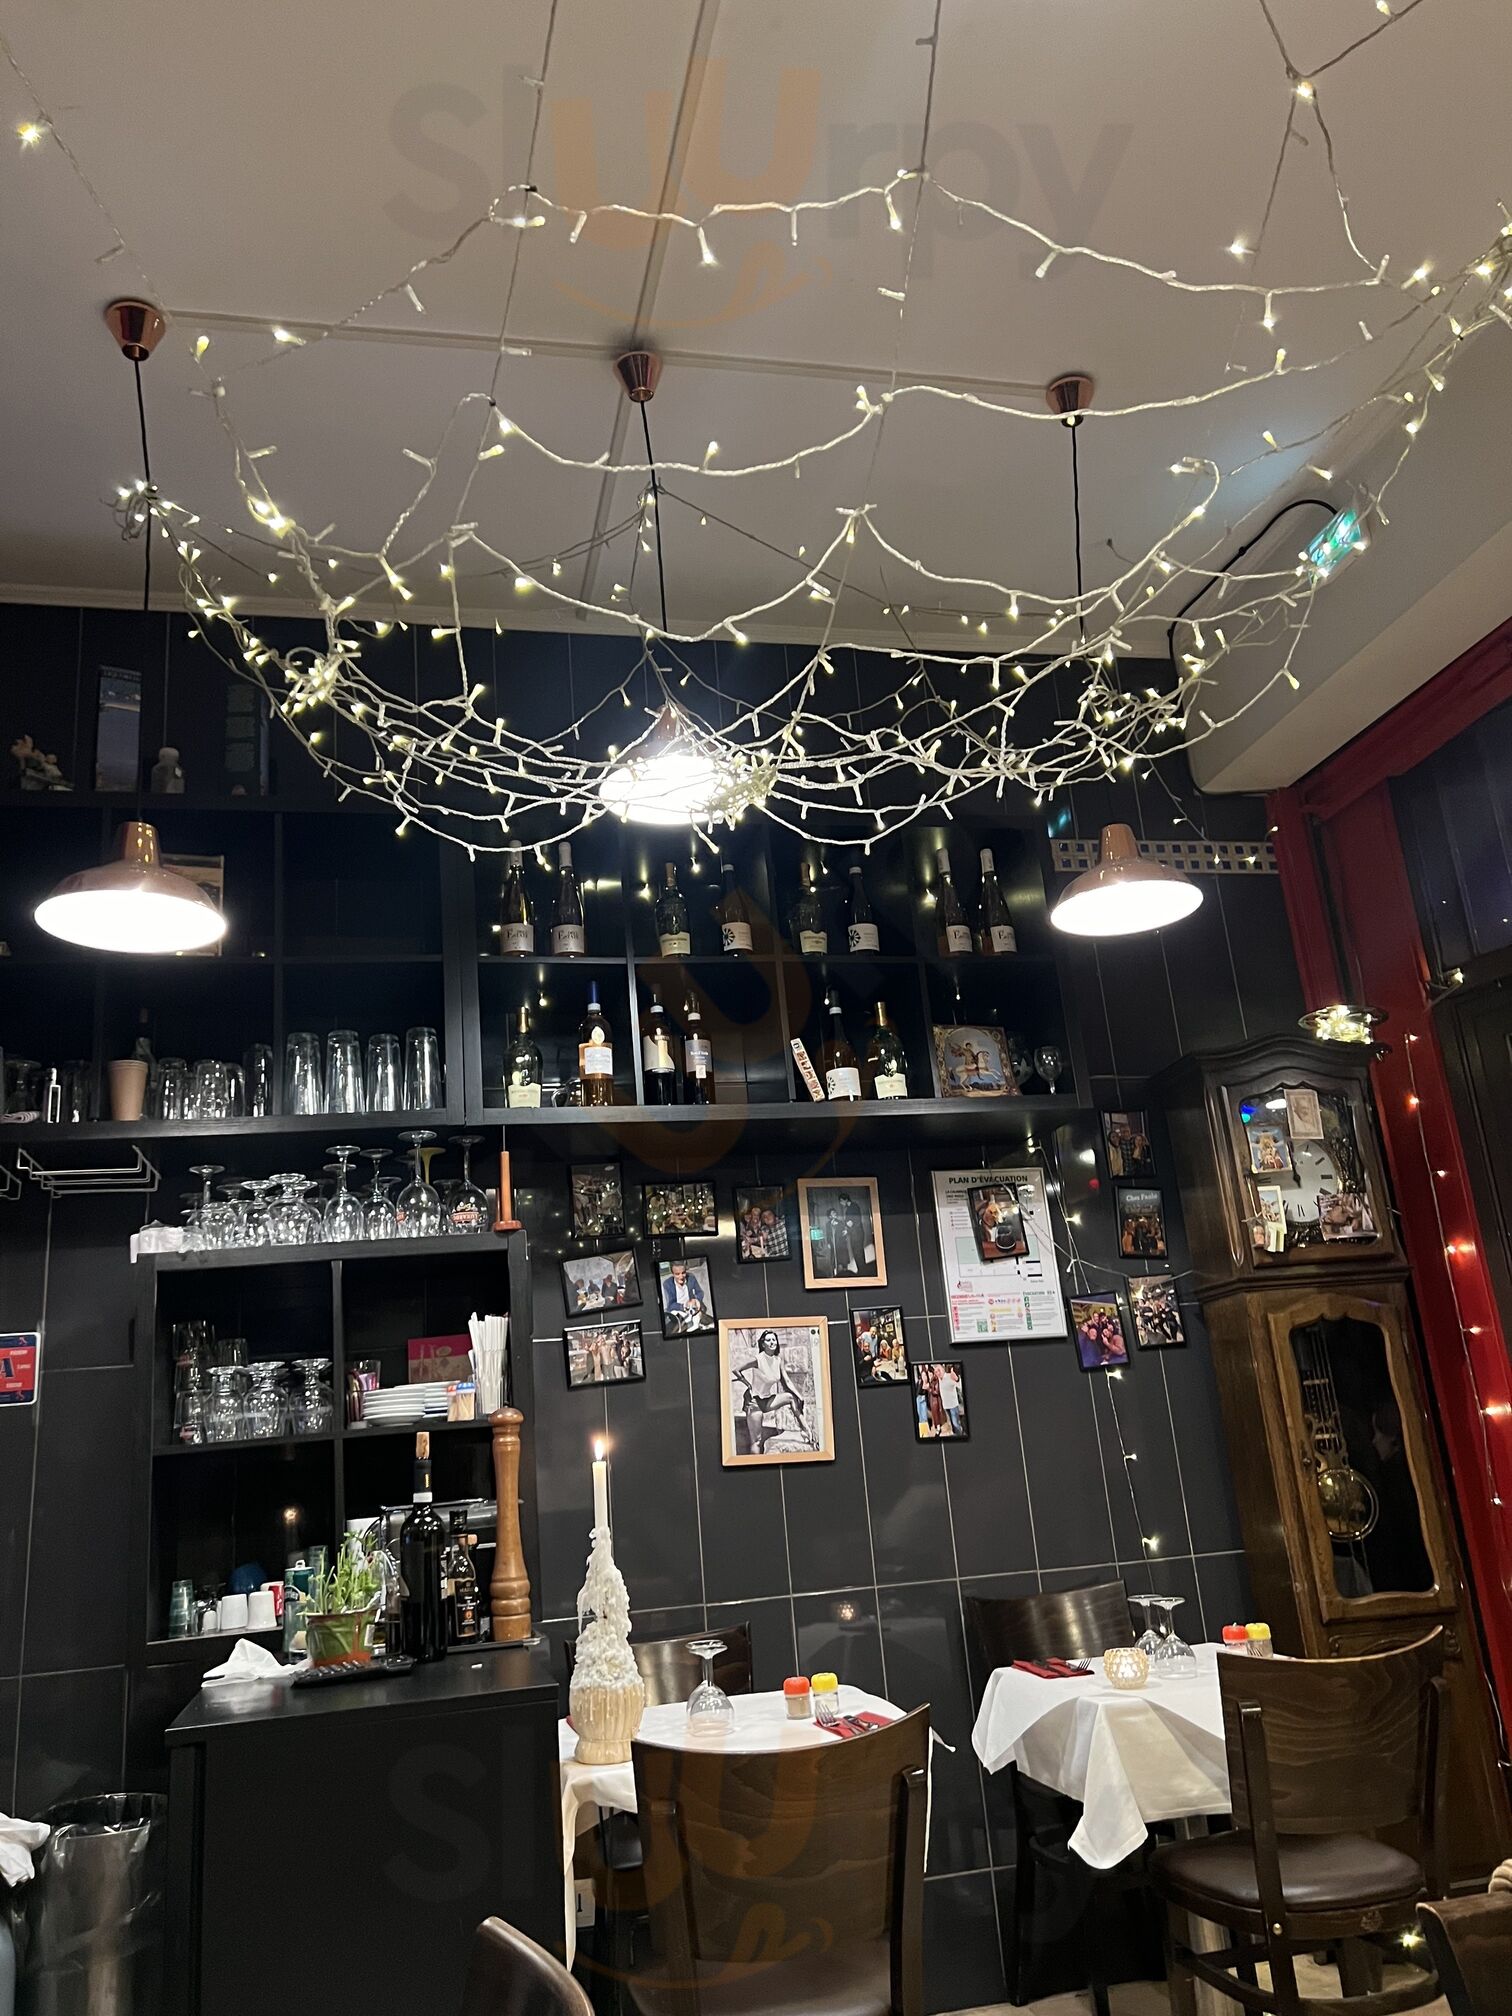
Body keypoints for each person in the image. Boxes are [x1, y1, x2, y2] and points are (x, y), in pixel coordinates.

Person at [660, 1259, 708, 1334]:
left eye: (683, 1273)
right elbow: (670, 1305)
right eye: (677, 1274)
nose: (681, 1276)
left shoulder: (691, 1278)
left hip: (692, 1309)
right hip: (678, 1311)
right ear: (673, 1274)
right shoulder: (667, 1284)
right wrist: (683, 1306)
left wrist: (696, 1300)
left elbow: (700, 1292)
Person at [935, 1363, 964, 1436]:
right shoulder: (939, 1379)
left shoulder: (949, 1377)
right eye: (936, 1371)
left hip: (953, 1405)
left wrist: (957, 1379)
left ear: (943, 1370)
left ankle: (960, 1436)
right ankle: (955, 1435)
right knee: (952, 1424)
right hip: (946, 1405)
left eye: (939, 1370)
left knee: (956, 1423)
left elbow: (960, 1386)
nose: (938, 1373)